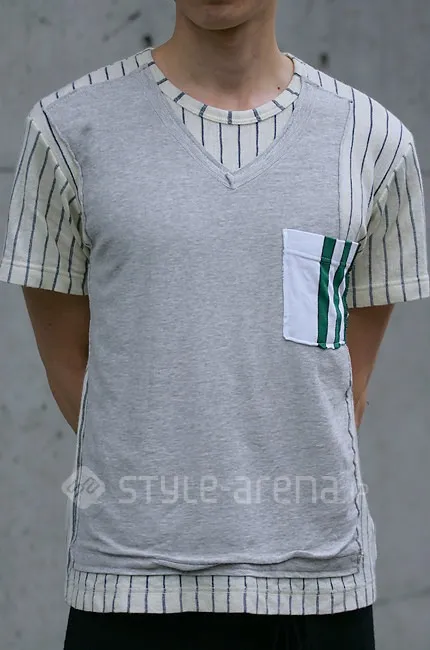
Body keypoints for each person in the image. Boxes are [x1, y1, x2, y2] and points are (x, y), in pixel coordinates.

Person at [0, 1, 428, 648]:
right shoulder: (68, 129)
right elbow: (77, 374)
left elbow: (345, 383)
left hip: (318, 587)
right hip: (128, 585)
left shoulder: (372, 141)